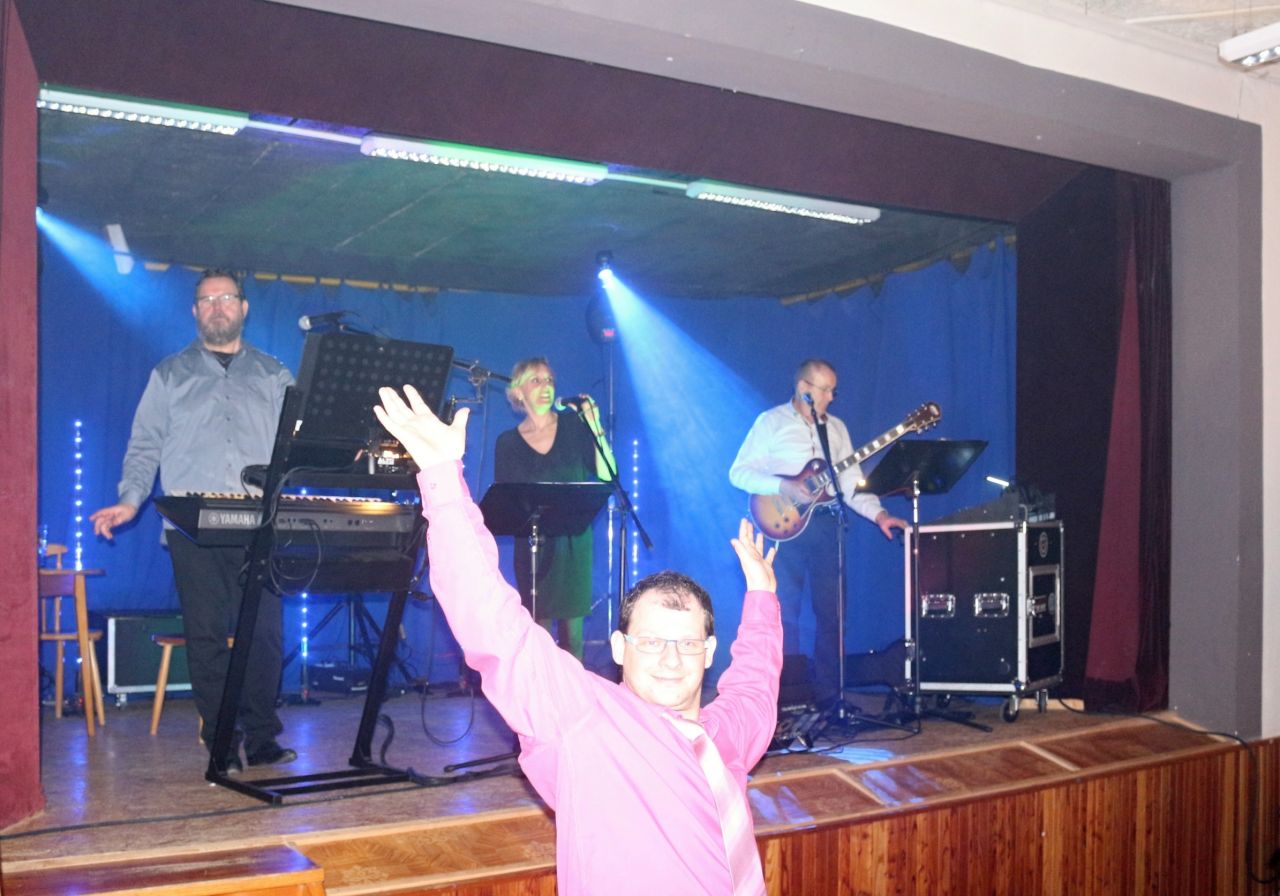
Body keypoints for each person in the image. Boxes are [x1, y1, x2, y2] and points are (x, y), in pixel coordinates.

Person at [374, 384, 781, 896]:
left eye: (686, 643)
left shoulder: (730, 734)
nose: (671, 659)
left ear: (709, 653)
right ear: (619, 648)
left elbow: (756, 685)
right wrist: (442, 480)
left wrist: (763, 596)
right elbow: (492, 622)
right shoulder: (583, 718)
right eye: (651, 642)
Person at [89, 269, 296, 772]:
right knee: (206, 636)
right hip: (191, 527)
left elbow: (296, 444)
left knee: (264, 635)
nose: (217, 306)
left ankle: (263, 738)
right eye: (207, 300)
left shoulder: (275, 375)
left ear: (243, 307)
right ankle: (222, 740)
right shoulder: (169, 374)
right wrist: (131, 501)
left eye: (226, 297)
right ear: (194, 311)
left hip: (259, 524)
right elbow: (145, 445)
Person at [729, 358, 906, 707]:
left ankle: (830, 697)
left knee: (833, 615)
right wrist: (783, 485)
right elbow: (739, 472)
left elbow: (851, 484)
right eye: (825, 390)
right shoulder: (771, 422)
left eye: (833, 390)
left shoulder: (835, 429)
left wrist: (880, 515)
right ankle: (782, 699)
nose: (831, 397)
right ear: (803, 389)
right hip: (783, 528)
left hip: (826, 526)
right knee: (784, 613)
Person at [493, 357, 614, 660]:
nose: (546, 386)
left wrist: (595, 424)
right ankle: (542, 690)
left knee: (573, 639)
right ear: (518, 392)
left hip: (573, 545)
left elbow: (608, 474)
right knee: (540, 637)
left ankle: (574, 690)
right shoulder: (507, 442)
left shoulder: (574, 427)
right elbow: (508, 500)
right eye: (536, 380)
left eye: (549, 380)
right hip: (534, 546)